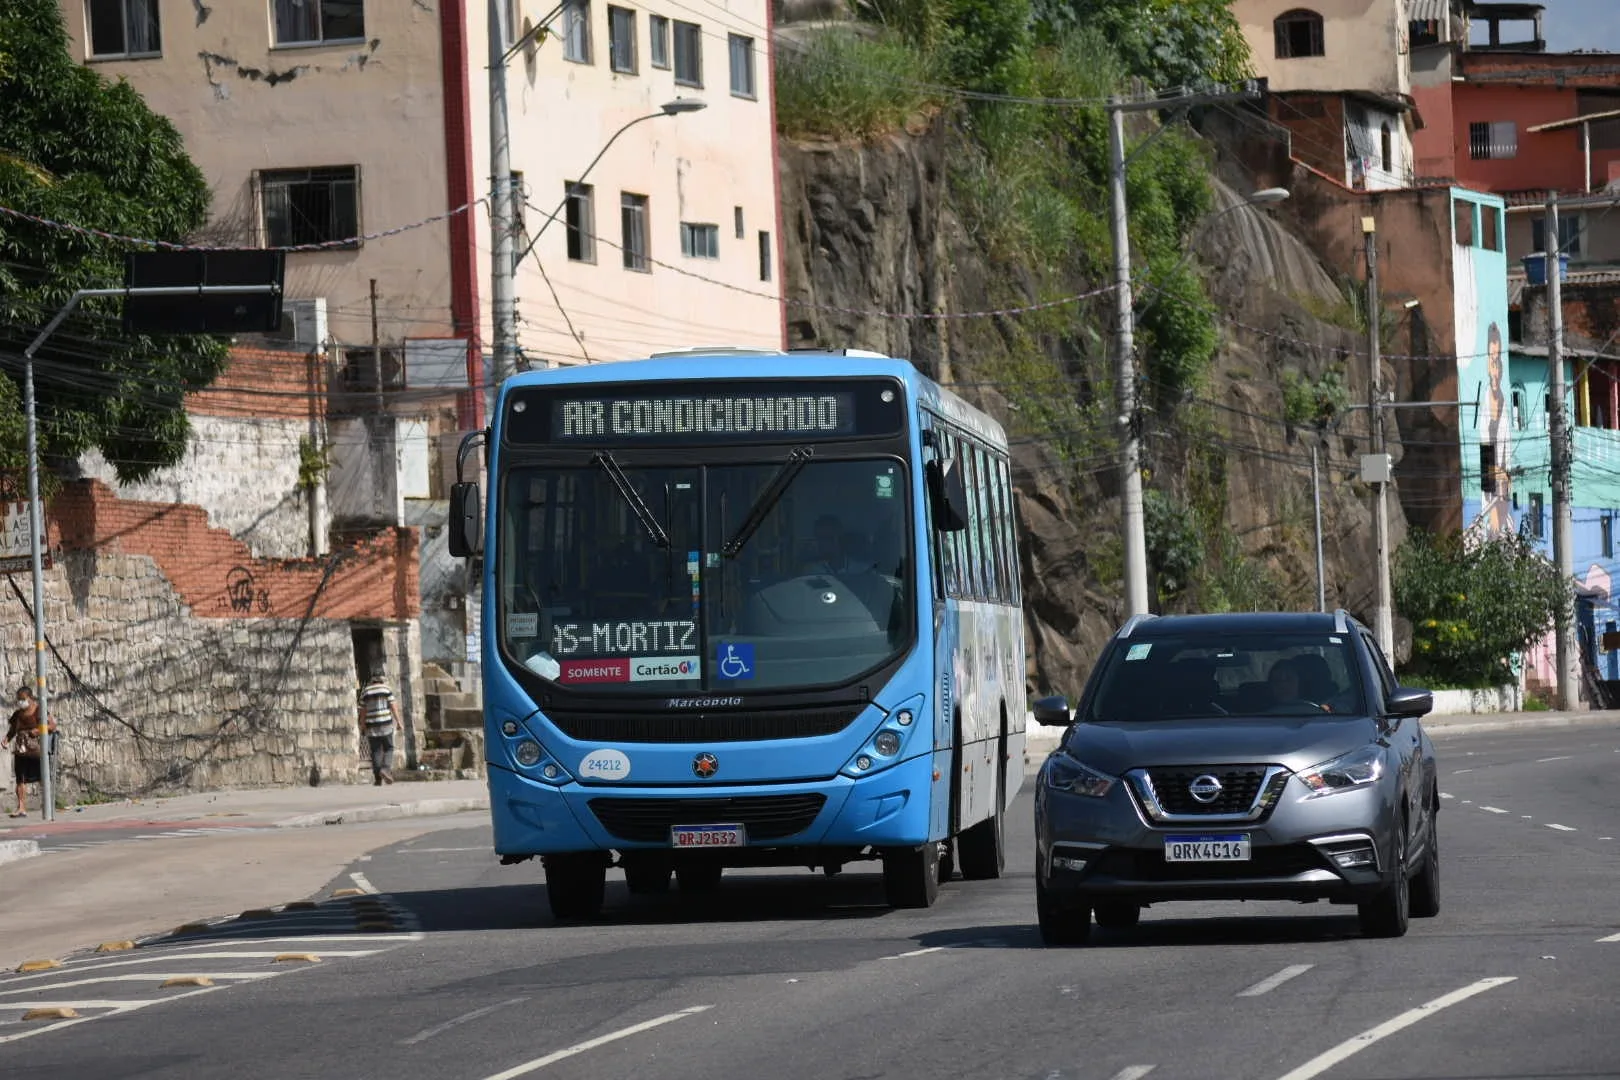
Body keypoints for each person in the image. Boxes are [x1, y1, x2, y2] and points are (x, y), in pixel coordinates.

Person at [2, 686, 53, 818]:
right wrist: (6, 740)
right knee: (20, 780)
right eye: (18, 699)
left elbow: (52, 726)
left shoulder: (39, 710)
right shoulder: (18, 714)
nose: (20, 702)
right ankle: (21, 808)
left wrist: (38, 730)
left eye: (23, 699)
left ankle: (48, 804)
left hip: (36, 751)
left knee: (42, 777)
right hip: (21, 750)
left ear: (30, 698)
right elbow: (13, 730)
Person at [356, 671, 402, 786]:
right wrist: (398, 721)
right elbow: (393, 706)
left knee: (375, 751)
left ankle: (377, 779)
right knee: (389, 748)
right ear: (382, 679)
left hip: (371, 724)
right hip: (385, 723)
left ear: (372, 679)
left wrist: (362, 724)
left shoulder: (366, 691)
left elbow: (362, 710)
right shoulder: (386, 689)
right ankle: (385, 769)